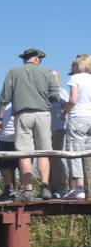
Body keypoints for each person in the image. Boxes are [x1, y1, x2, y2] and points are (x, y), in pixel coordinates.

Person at [0, 48, 60, 202]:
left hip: (22, 114)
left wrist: (0, 118)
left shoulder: (13, 72)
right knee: (43, 152)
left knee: (24, 153)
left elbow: (4, 98)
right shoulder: (47, 73)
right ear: (37, 58)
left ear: (25, 59)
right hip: (43, 114)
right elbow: (55, 96)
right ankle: (45, 186)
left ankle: (28, 189)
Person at [61, 54, 91, 199]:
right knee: (88, 153)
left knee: (75, 153)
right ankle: (89, 187)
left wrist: (64, 112)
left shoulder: (76, 78)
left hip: (78, 117)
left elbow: (73, 100)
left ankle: (79, 187)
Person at [49, 70, 70, 198]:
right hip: (44, 128)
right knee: (46, 158)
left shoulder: (61, 91)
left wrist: (63, 115)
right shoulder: (43, 91)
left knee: (56, 158)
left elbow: (68, 105)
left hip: (57, 128)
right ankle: (50, 186)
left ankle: (60, 187)